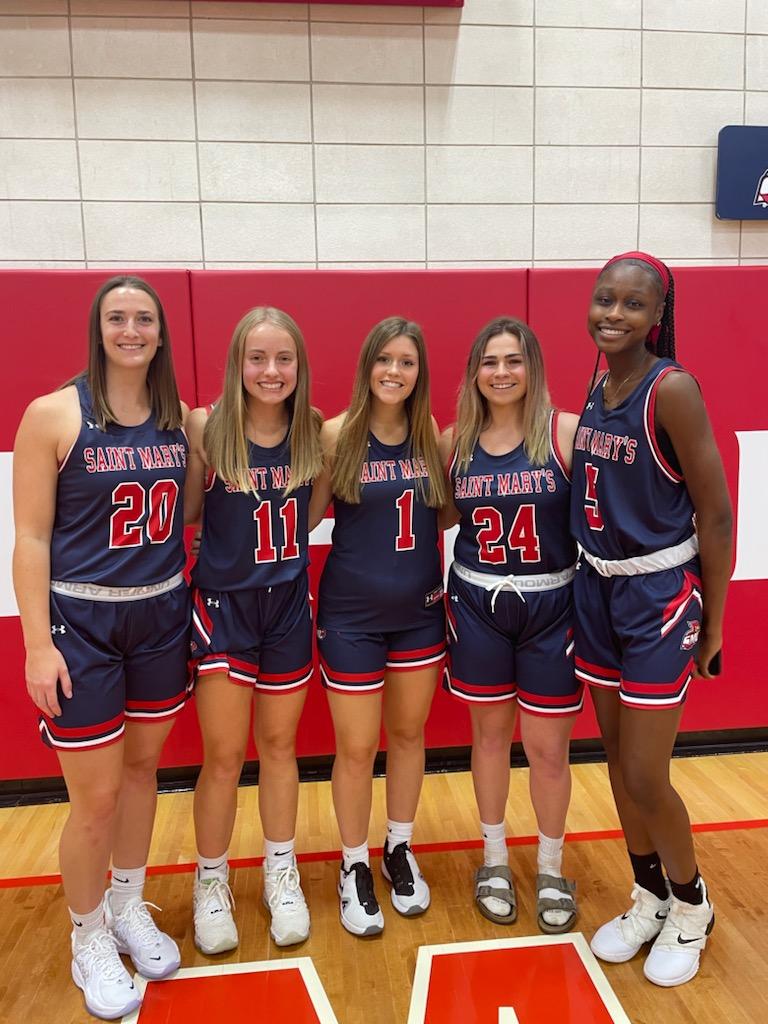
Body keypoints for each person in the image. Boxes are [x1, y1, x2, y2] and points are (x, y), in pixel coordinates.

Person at [13, 276, 189, 1020]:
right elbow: (29, 539)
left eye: (143, 318)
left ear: (160, 332)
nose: (130, 329)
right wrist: (34, 646)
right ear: (98, 326)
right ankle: (87, 935)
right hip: (80, 627)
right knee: (96, 798)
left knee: (144, 772)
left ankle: (125, 904)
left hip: (159, 619)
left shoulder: (183, 421)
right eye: (117, 317)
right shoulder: (53, 414)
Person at [570, 252, 732, 987]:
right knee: (614, 758)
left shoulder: (673, 389)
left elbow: (717, 513)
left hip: (658, 597)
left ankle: (692, 902)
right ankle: (650, 893)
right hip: (596, 590)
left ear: (657, 316)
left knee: (644, 770)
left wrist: (717, 623)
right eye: (605, 299)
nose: (614, 313)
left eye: (632, 305)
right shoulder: (601, 382)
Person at [185, 307, 323, 954]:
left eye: (284, 359)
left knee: (280, 747)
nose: (271, 372)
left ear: (299, 366)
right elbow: (188, 512)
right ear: (238, 363)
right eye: (258, 359)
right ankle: (212, 880)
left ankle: (280, 870)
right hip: (224, 610)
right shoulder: (206, 429)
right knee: (222, 755)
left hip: (288, 605)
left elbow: (313, 511)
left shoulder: (314, 432)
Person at [439, 316, 582, 933]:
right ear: (475, 371)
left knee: (549, 749)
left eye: (513, 361)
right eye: (490, 361)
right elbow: (439, 518)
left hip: (553, 603)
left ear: (533, 369)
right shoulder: (454, 441)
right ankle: (494, 858)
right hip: (478, 604)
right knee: (490, 738)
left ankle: (551, 866)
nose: (501, 372)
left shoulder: (567, 433)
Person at [314, 316, 446, 936]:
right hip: (349, 617)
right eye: (384, 359)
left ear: (420, 373)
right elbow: (304, 511)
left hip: (419, 615)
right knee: (357, 747)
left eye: (407, 362)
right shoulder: (336, 436)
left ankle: (398, 848)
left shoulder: (435, 442)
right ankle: (352, 864)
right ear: (367, 365)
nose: (395, 371)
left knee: (410, 734)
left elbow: (445, 516)